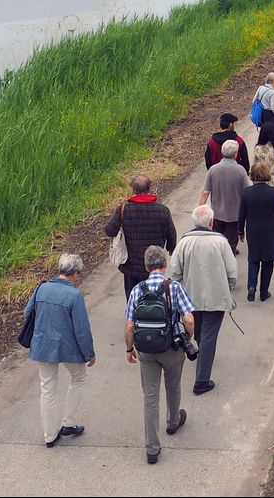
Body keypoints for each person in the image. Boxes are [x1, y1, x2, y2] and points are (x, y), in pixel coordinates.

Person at [125, 245, 196, 464]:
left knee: (150, 397)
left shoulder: (138, 289)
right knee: (173, 387)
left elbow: (129, 326)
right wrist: (187, 338)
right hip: (172, 347)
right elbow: (190, 319)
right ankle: (173, 422)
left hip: (146, 351)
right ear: (165, 264)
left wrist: (130, 349)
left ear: (146, 266)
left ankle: (152, 449)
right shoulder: (174, 287)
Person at [25, 253, 96, 447]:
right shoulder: (74, 295)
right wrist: (89, 353)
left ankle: (49, 436)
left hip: (43, 345)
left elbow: (27, 313)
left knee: (47, 389)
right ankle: (69, 423)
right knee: (79, 377)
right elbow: (82, 329)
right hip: (68, 347)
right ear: (74, 274)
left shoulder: (41, 288)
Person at [170, 205, 237, 396]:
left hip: (190, 298)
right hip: (216, 298)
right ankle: (202, 380)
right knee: (209, 335)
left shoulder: (184, 243)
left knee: (199, 331)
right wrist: (228, 288)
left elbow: (175, 273)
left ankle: (201, 354)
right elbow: (232, 272)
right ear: (211, 222)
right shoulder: (221, 242)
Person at [105, 175, 178, 299]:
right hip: (154, 264)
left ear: (133, 190)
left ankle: (133, 317)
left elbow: (109, 231)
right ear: (149, 189)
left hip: (131, 266)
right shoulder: (162, 210)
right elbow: (171, 233)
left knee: (133, 299)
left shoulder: (124, 209)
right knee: (155, 299)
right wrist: (171, 247)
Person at [239, 162, 274, 302]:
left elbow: (241, 214)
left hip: (253, 230)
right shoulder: (273, 192)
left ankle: (251, 286)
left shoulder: (246, 193)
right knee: (268, 260)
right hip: (270, 230)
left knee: (253, 258)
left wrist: (240, 230)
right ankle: (264, 292)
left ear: (252, 175)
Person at [200, 140, 251, 254]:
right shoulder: (240, 170)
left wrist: (201, 211)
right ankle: (229, 265)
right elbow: (247, 191)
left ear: (222, 152)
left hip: (216, 214)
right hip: (234, 215)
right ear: (236, 154)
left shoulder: (213, 169)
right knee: (231, 244)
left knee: (218, 243)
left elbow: (205, 193)